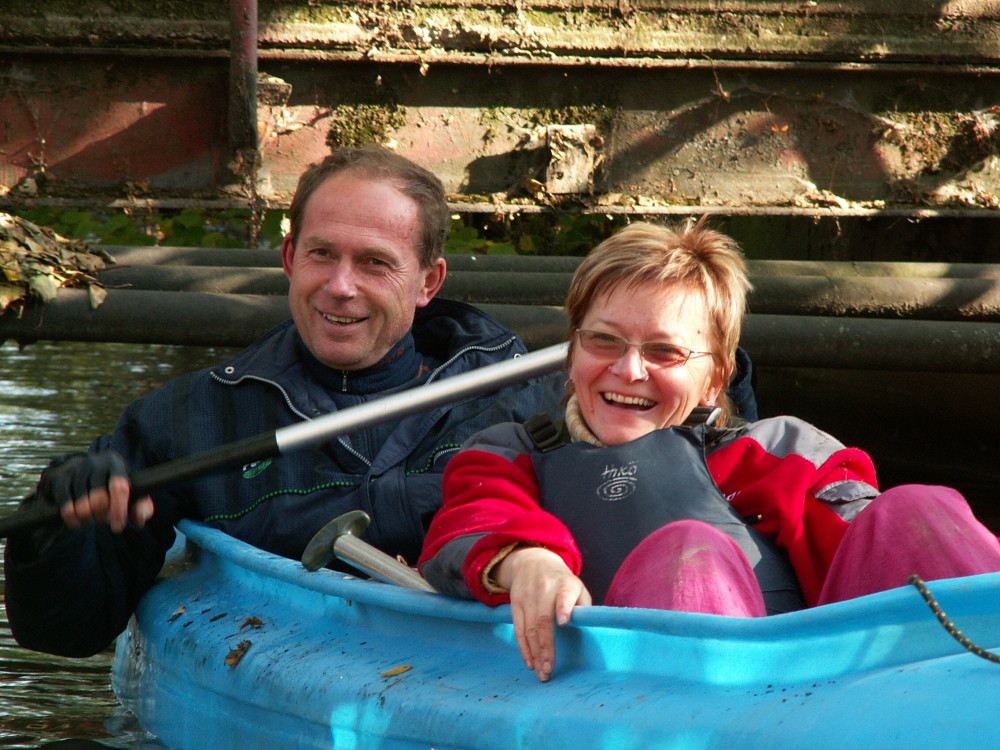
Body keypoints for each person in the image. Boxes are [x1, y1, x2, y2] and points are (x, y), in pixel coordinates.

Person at [1, 146, 758, 659]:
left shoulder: (532, 393)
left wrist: (694, 370)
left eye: (375, 264)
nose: (341, 287)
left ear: (429, 282)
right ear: (289, 256)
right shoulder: (188, 419)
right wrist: (58, 523)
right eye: (322, 254)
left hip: (507, 673)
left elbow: (705, 456)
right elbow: (65, 631)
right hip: (293, 667)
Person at [418, 219, 1000, 683]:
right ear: (573, 353)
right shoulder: (511, 455)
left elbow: (862, 527)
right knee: (689, 549)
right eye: (603, 341)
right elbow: (473, 516)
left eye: (664, 352)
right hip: (615, 697)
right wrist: (526, 559)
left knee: (918, 508)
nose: (629, 369)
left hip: (809, 693)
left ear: (716, 377)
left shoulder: (778, 452)